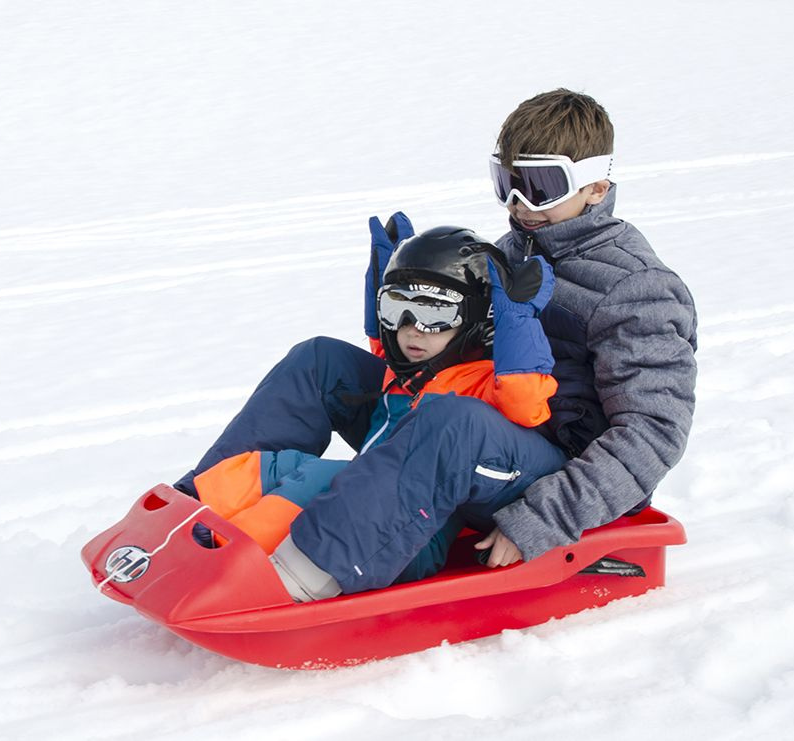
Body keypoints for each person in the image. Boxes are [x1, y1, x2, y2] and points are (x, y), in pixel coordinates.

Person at [176, 87, 697, 600]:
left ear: (596, 187)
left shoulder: (637, 288)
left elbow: (653, 434)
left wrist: (542, 519)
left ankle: (302, 574)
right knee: (320, 362)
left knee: (454, 422)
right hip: (473, 427)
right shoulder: (513, 248)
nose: (520, 205)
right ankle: (194, 512)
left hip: (553, 474)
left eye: (541, 186)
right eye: (508, 183)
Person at [180, 225, 566, 601]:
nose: (412, 329)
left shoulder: (483, 385)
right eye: (398, 308)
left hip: (406, 540)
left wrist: (517, 321)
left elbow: (526, 405)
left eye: (435, 314)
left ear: (479, 322)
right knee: (282, 460)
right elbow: (388, 358)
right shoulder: (418, 368)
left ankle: (267, 569)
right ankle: (191, 515)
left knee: (322, 479)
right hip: (368, 507)